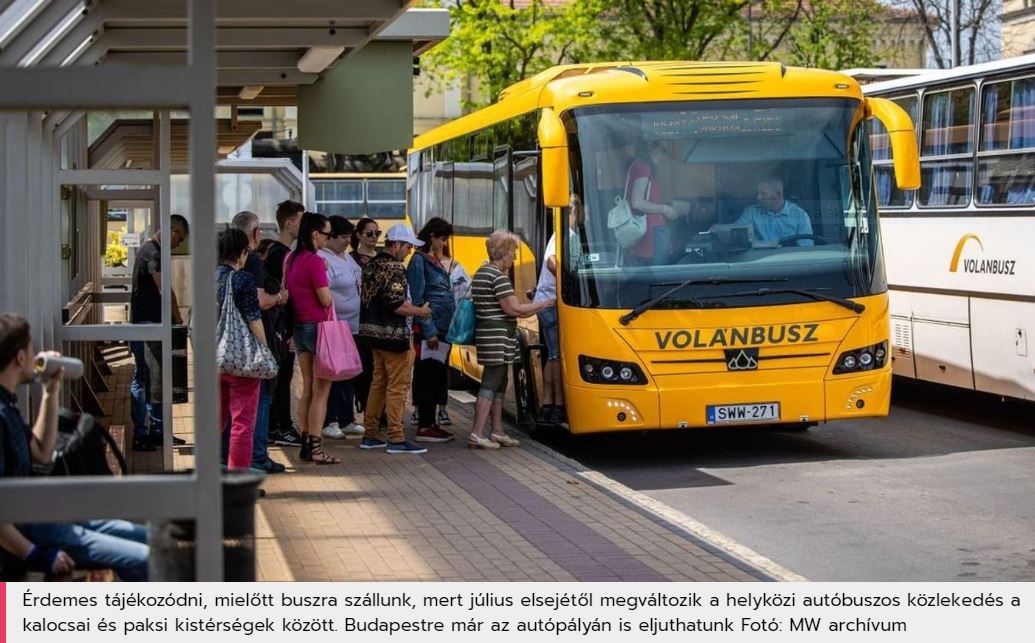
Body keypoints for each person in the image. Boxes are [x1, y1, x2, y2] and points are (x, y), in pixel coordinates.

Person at [0, 314, 149, 581]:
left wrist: (51, 391)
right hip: (33, 532)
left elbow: (40, 452)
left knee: (153, 539)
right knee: (144, 559)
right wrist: (34, 554)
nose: (36, 355)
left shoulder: (7, 404)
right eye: (31, 348)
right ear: (21, 358)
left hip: (48, 516)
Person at [468, 231, 554, 450]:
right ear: (504, 252)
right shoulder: (497, 277)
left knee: (500, 384)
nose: (514, 258)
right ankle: (477, 433)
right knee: (491, 381)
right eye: (513, 253)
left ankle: (497, 431)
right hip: (497, 336)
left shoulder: (482, 272)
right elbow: (515, 309)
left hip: (493, 335)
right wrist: (544, 303)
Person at [357, 224, 432, 454]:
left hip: (373, 335)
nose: (409, 251)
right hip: (394, 336)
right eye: (408, 246)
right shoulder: (394, 268)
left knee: (378, 384)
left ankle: (370, 433)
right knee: (398, 387)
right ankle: (397, 438)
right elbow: (396, 304)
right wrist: (422, 312)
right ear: (397, 244)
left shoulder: (371, 265)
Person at [229, 211, 286, 474]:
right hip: (250, 345)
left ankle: (235, 460)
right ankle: (256, 457)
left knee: (235, 409)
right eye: (260, 231)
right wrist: (281, 297)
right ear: (253, 234)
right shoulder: (249, 264)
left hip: (226, 347)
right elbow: (259, 304)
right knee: (259, 400)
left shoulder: (220, 268)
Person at [129, 214, 189, 452]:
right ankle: (145, 432)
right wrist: (177, 318)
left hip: (147, 324)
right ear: (172, 230)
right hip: (147, 326)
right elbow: (165, 289)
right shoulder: (152, 252)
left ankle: (156, 431)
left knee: (151, 379)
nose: (178, 243)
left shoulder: (149, 250)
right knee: (146, 379)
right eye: (180, 238)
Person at [284, 212, 340, 465]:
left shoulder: (290, 259)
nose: (328, 240)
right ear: (314, 233)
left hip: (299, 328)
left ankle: (306, 444)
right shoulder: (314, 261)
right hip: (320, 330)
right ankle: (316, 448)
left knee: (308, 388)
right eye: (326, 234)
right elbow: (325, 299)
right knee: (322, 392)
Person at [216, 229, 269, 470]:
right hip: (241, 361)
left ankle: (211, 472)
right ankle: (238, 477)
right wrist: (264, 350)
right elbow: (253, 318)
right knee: (242, 423)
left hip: (214, 358)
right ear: (242, 252)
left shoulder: (210, 277)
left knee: (216, 419)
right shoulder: (243, 279)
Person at [533, 194, 585, 426]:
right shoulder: (567, 235)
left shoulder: (566, 235)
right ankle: (556, 405)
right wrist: (568, 282)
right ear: (576, 210)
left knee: (553, 353)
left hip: (548, 300)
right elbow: (552, 261)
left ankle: (549, 404)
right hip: (552, 302)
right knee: (555, 354)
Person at [407, 217, 456, 443]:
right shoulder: (419, 261)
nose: (444, 245)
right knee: (427, 374)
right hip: (431, 330)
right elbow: (418, 299)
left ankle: (432, 422)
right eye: (443, 239)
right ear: (432, 237)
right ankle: (425, 424)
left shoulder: (433, 260)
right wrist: (429, 331)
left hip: (442, 328)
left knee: (437, 376)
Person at [318, 216, 365, 439]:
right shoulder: (322, 259)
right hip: (334, 327)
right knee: (334, 374)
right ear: (331, 237)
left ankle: (347, 419)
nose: (348, 241)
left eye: (349, 236)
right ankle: (331, 420)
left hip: (353, 325)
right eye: (344, 237)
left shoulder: (347, 257)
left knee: (349, 373)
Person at [264, 200, 305, 449]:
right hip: (281, 330)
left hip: (280, 328)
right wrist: (287, 330)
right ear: (289, 224)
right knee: (281, 379)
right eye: (301, 220)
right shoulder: (281, 255)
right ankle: (280, 426)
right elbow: (281, 295)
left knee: (282, 379)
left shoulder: (278, 252)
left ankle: (279, 425)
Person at [622, 140, 682, 265]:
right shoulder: (643, 167)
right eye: (663, 151)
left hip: (649, 231)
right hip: (651, 232)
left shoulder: (636, 166)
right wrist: (665, 209)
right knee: (661, 275)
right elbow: (637, 202)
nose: (664, 156)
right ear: (651, 149)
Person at [349, 217, 379, 420]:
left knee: (378, 368)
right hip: (357, 319)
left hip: (377, 319)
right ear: (358, 235)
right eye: (369, 233)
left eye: (377, 233)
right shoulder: (350, 259)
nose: (374, 237)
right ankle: (363, 404)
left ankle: (376, 412)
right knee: (361, 367)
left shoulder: (381, 258)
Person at [736, 175, 813, 246]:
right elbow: (734, 236)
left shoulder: (800, 216)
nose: (758, 197)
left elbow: (806, 249)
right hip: (759, 260)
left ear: (778, 194)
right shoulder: (750, 213)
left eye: (763, 193)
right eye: (758, 193)